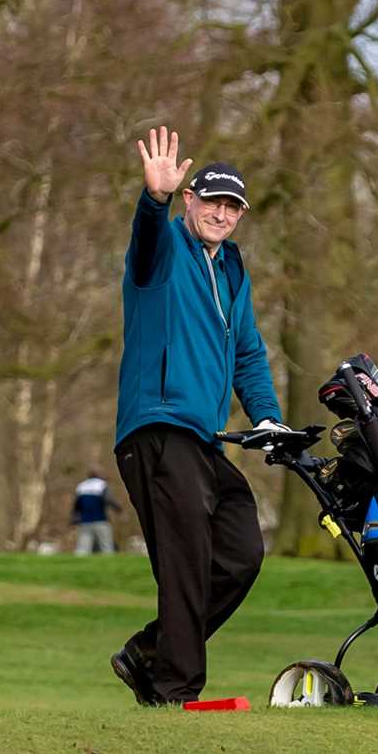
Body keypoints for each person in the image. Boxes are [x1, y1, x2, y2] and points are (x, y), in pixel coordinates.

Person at [110, 126, 286, 706]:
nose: (221, 213)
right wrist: (153, 198)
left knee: (240, 551)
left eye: (232, 206)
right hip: (158, 428)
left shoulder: (232, 269)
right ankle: (172, 686)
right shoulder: (162, 252)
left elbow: (248, 353)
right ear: (190, 200)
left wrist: (267, 419)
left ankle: (150, 651)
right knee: (186, 558)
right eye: (211, 200)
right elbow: (145, 239)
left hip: (205, 441)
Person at [72, 469, 121, 555]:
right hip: (100, 520)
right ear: (99, 475)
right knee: (106, 547)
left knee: (83, 549)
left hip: (85, 521)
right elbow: (108, 499)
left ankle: (80, 567)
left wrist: (74, 518)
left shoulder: (81, 486)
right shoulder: (102, 485)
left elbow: (76, 506)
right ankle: (109, 567)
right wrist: (118, 508)